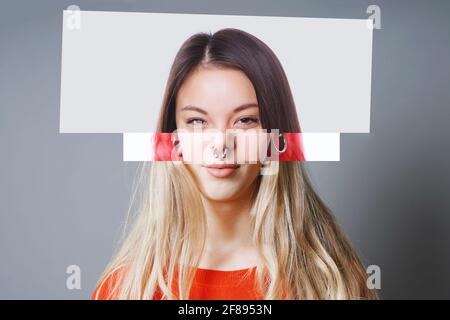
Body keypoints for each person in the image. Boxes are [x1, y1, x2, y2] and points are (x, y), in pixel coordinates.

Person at [92, 28, 377, 300]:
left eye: (245, 120)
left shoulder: (331, 282)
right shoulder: (126, 288)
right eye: (197, 122)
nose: (220, 145)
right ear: (173, 138)